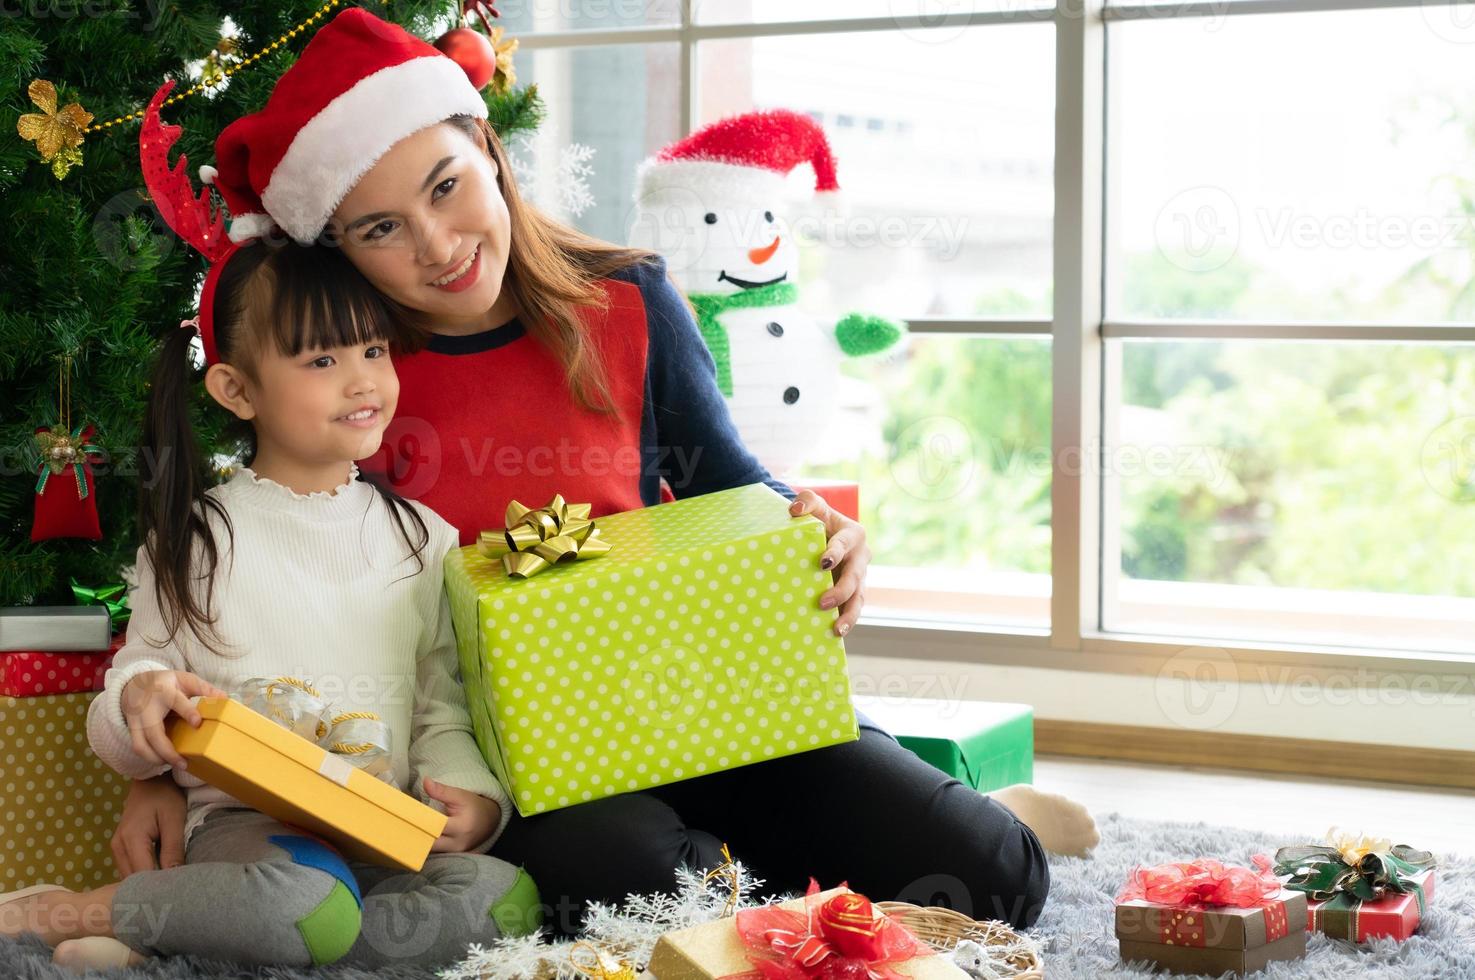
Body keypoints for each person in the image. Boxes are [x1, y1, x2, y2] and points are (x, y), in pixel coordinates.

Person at [110, 6, 1097, 943]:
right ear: (340, 249)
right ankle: (769, 861)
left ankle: (958, 803)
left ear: (490, 154)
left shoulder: (628, 301)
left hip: (715, 701)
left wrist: (822, 533)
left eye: (446, 186)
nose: (438, 244)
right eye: (380, 229)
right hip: (536, 767)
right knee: (667, 902)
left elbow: (728, 485)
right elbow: (234, 573)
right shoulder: (351, 379)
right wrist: (163, 771)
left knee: (991, 877)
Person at [0, 86, 539, 973]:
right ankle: (67, 914)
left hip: (382, 836)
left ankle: (193, 943)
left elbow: (443, 699)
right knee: (303, 902)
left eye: (370, 350)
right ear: (238, 393)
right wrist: (138, 704)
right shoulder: (202, 535)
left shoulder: (424, 538)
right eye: (321, 360)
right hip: (254, 834)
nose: (361, 379)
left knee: (505, 899)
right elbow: (136, 677)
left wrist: (472, 800)